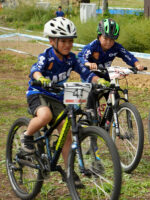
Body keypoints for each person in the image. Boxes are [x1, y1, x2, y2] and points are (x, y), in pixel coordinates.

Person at [22, 17, 107, 187]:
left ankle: (69, 172)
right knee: (45, 116)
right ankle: (27, 137)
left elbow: (86, 73)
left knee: (67, 133)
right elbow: (35, 71)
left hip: (59, 96)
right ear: (52, 41)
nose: (68, 45)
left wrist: (99, 80)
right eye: (63, 41)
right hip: (39, 92)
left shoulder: (72, 58)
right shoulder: (46, 56)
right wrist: (42, 79)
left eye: (70, 41)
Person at [78, 18, 144, 110]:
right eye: (105, 38)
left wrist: (137, 64)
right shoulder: (93, 46)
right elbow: (80, 57)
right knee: (92, 91)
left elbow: (128, 56)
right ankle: (89, 114)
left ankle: (109, 120)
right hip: (91, 75)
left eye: (112, 39)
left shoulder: (116, 47)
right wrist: (88, 64)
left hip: (105, 74)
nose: (109, 42)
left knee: (115, 95)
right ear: (99, 36)